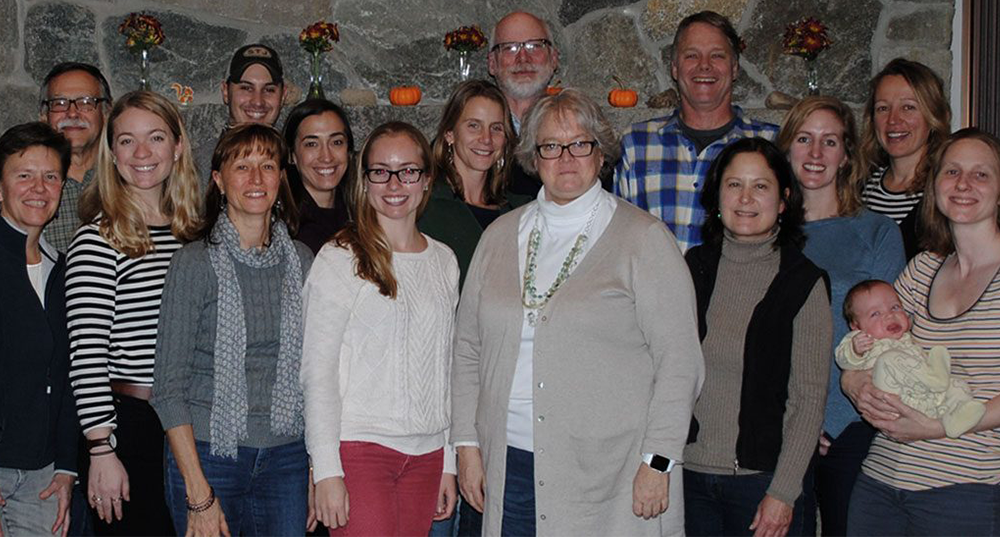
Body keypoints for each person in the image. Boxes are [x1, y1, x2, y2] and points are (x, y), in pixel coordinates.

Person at [452, 88, 704, 536]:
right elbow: (468, 348)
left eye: (580, 143)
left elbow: (680, 362)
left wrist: (659, 460)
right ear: (534, 156)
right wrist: (468, 444)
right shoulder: (500, 236)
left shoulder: (643, 240)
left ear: (600, 152)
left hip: (611, 474)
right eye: (551, 145)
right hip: (507, 464)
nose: (566, 157)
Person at [151, 124, 314, 536]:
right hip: (209, 455)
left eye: (268, 166)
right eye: (243, 166)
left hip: (286, 456)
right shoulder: (193, 263)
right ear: (220, 181)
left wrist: (315, 469)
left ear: (281, 178)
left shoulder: (302, 261)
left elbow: (315, 374)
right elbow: (168, 389)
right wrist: (198, 492)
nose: (256, 179)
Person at [301, 121, 459, 536]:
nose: (394, 183)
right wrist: (326, 470)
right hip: (361, 452)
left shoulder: (444, 262)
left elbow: (445, 370)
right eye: (380, 171)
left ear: (426, 180)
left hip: (426, 456)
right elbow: (317, 374)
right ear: (364, 180)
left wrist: (449, 460)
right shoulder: (340, 257)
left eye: (408, 171)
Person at [843, 128, 1000, 535]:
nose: (963, 184)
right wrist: (855, 381)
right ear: (934, 186)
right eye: (951, 172)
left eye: (981, 174)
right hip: (880, 482)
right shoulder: (923, 268)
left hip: (965, 490)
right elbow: (867, 340)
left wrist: (941, 425)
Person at [65, 90, 201, 536]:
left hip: (190, 422)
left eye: (156, 138)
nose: (142, 153)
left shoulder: (194, 234)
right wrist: (102, 449)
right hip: (129, 426)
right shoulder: (98, 239)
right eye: (126, 141)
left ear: (177, 146)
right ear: (112, 152)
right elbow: (85, 354)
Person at [683, 137, 831, 536]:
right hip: (689, 478)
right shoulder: (692, 268)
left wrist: (783, 493)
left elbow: (808, 398)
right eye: (734, 185)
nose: (745, 198)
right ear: (716, 195)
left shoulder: (803, 283)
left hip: (762, 484)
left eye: (760, 186)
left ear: (783, 200)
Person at [774, 96, 905, 536]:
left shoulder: (877, 232)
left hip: (854, 424)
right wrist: (797, 419)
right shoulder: (761, 235)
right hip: (777, 423)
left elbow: (889, 337)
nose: (815, 154)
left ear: (847, 155)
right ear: (786, 147)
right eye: (804, 139)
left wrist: (828, 417)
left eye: (829, 142)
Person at [615, 11, 778, 252]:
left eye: (717, 55)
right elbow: (616, 236)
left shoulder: (770, 143)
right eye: (692, 55)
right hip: (651, 289)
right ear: (674, 68)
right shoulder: (636, 144)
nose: (704, 66)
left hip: (738, 288)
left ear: (734, 68)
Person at [0, 122, 75, 537]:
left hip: (42, 478)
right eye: (23, 175)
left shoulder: (61, 269)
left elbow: (67, 376)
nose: (38, 188)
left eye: (50, 177)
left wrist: (66, 467)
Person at [836, 280, 985, 439]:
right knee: (888, 360)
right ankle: (936, 378)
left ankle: (954, 418)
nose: (889, 315)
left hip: (925, 398)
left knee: (957, 385)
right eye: (875, 314)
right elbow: (843, 359)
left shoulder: (909, 339)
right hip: (896, 401)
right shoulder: (861, 339)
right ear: (856, 326)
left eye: (895, 307)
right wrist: (854, 350)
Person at [420, 79, 531, 289]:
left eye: (496, 128)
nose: (486, 139)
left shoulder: (520, 211)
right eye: (474, 126)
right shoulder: (424, 206)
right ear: (450, 134)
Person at [859, 58, 950, 259]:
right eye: (883, 108)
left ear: (932, 116)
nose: (893, 120)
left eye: (908, 107)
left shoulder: (947, 193)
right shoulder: (857, 189)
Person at [38, 62, 113, 252]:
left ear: (106, 113)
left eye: (86, 102)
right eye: (59, 103)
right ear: (44, 117)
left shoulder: (130, 179)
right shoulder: (27, 190)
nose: (72, 112)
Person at [193, 44, 288, 185]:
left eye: (269, 90)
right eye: (246, 88)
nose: (258, 101)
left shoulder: (299, 164)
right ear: (225, 92)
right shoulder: (198, 166)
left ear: (283, 95)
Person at [488, 11, 559, 196]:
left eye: (534, 46)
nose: (523, 58)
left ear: (554, 59)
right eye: (510, 48)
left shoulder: (576, 127)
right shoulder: (469, 136)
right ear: (492, 64)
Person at [282, 99, 354, 254]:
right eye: (312, 144)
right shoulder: (281, 225)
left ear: (348, 151)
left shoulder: (361, 213)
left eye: (336, 142)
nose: (326, 157)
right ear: (292, 155)